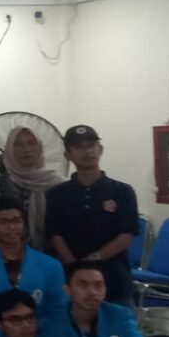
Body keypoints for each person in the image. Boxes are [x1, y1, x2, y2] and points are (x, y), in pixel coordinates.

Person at [45, 125, 139, 307]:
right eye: (79, 147)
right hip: (71, 282)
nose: (87, 151)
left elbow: (125, 237)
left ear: (100, 149)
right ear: (68, 154)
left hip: (115, 282)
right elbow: (55, 235)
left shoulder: (123, 191)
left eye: (91, 145)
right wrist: (75, 266)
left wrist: (92, 261)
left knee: (121, 325)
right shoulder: (57, 194)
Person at [0, 196, 68, 337]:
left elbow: (60, 312)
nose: (11, 227)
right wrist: (8, 327)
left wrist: (29, 328)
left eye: (16, 220)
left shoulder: (50, 266)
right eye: (3, 222)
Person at [0, 127, 64, 250]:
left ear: (40, 147)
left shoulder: (58, 183)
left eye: (32, 143)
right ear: (10, 149)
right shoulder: (1, 184)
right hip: (11, 254)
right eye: (19, 145)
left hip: (55, 255)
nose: (26, 149)